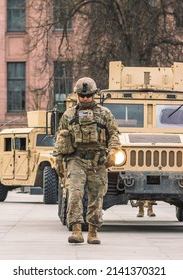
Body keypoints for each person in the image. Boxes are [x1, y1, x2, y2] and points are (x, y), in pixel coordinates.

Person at [53, 77, 121, 244]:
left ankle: (93, 231)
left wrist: (113, 151)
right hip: (76, 159)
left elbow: (114, 134)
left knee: (96, 197)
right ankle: (76, 230)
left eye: (88, 95)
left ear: (94, 95)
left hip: (98, 162)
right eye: (82, 96)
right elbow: (60, 137)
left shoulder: (105, 114)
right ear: (77, 95)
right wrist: (59, 160)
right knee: (75, 194)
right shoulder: (69, 115)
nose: (85, 99)